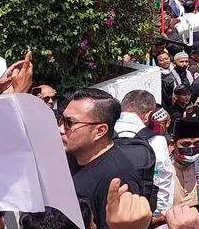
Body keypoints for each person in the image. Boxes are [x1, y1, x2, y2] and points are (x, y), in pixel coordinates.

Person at [61, 88, 146, 229]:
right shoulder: (69, 156)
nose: (61, 129)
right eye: (61, 119)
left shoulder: (117, 179)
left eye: (69, 123)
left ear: (100, 131)